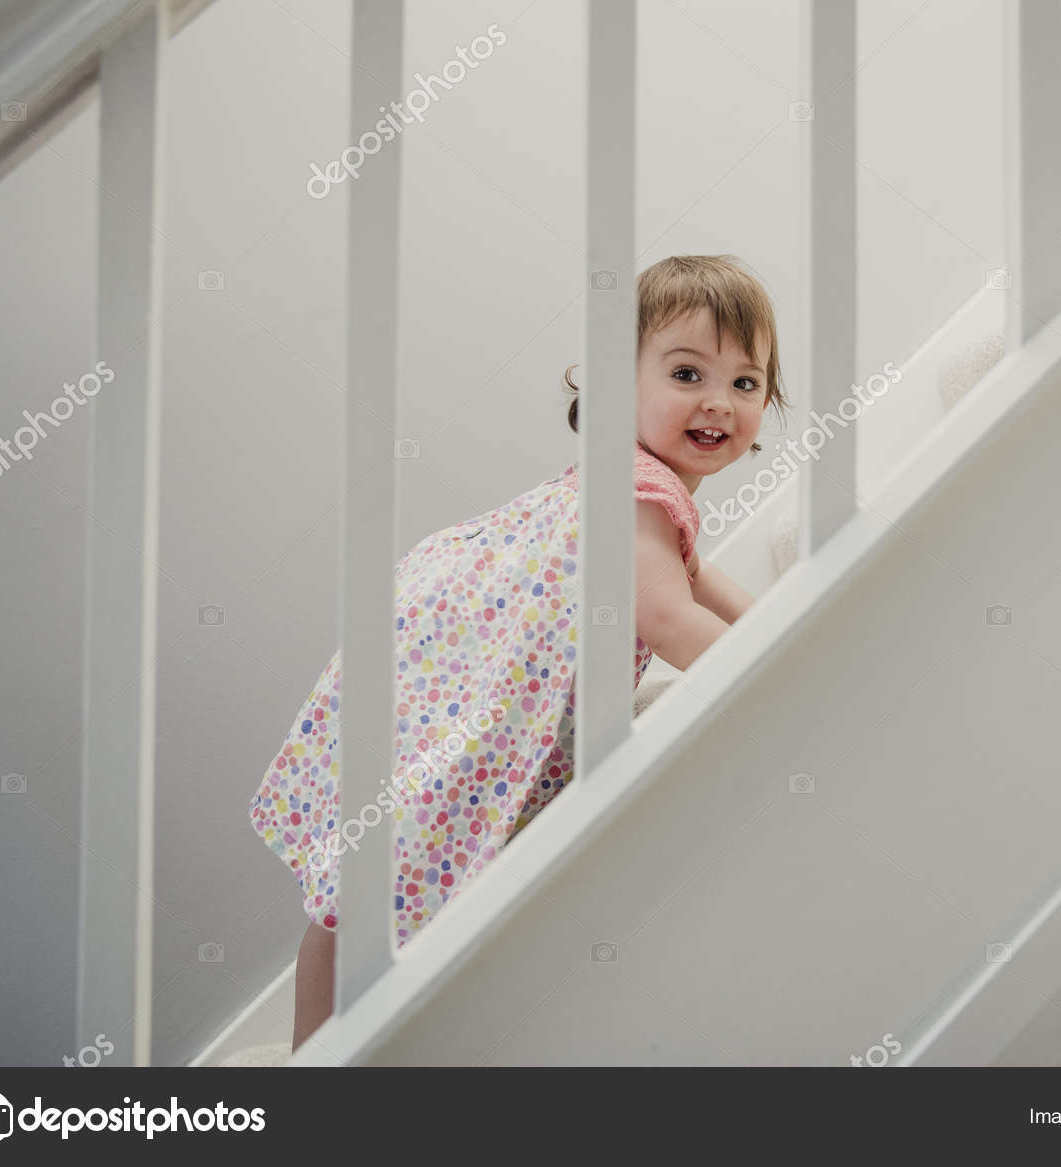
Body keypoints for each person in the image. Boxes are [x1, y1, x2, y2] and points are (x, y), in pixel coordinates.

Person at [247, 254, 789, 1050]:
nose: (719, 401)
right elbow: (671, 619)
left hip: (444, 663)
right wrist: (777, 674)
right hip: (472, 693)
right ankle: (324, 1052)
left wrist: (784, 622)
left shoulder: (631, 486)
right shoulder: (640, 492)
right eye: (686, 372)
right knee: (387, 875)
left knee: (362, 883)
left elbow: (698, 585)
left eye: (747, 383)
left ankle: (314, 1051)